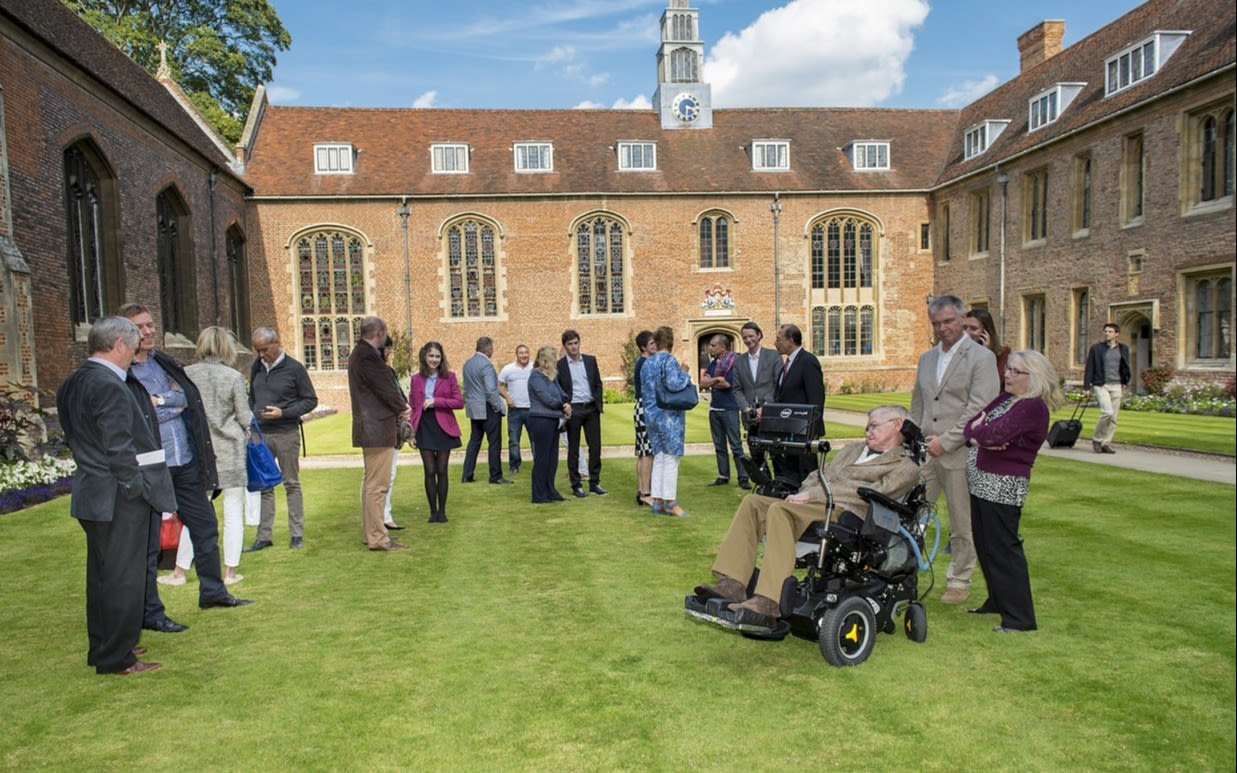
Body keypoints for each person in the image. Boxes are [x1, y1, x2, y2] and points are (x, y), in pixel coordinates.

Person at [694, 405, 920, 621]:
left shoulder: (906, 466)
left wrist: (814, 496)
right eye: (867, 427)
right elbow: (818, 474)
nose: (868, 431)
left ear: (897, 425)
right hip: (816, 501)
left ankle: (768, 600)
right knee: (753, 502)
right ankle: (733, 584)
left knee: (779, 510)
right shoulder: (853, 449)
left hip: (847, 512)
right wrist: (805, 492)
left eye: (874, 426)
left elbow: (874, 492)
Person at [57, 316, 177, 675]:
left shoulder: (73, 381)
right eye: (134, 345)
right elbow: (118, 447)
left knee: (102, 577)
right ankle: (117, 658)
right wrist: (134, 487)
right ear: (120, 345)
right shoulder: (109, 385)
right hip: (117, 495)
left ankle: (107, 645)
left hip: (92, 492)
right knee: (124, 577)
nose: (135, 353)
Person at [120, 303, 251, 625]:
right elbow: (140, 414)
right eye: (141, 326)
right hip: (151, 466)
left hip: (185, 462)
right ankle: (150, 612)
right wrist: (168, 403)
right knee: (148, 544)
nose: (149, 331)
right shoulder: (124, 373)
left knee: (205, 528)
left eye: (151, 324)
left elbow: (187, 400)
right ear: (123, 332)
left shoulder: (164, 364)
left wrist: (161, 401)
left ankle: (213, 592)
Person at [963, 350, 1063, 633]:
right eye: (1008, 369)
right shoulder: (1007, 399)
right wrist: (980, 434)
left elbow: (989, 434)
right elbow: (971, 427)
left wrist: (981, 434)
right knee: (985, 545)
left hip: (1002, 485)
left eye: (1015, 371)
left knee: (1003, 549)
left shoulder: (1031, 407)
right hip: (981, 482)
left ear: (1034, 377)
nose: (1007, 375)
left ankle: (1019, 619)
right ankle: (998, 600)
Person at [910, 295, 999, 604]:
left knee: (963, 523)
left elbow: (980, 408)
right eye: (936, 324)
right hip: (925, 453)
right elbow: (918, 405)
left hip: (960, 453)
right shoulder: (926, 358)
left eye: (948, 321)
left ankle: (959, 580)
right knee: (911, 515)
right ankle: (904, 571)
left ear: (963, 319)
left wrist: (945, 441)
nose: (942, 328)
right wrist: (914, 440)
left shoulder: (981, 358)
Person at [163, 327, 253, 587]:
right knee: (233, 512)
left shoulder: (187, 375)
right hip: (231, 449)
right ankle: (230, 572)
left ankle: (180, 571)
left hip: (199, 452)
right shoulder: (234, 376)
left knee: (196, 513)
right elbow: (245, 417)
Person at [246, 327, 318, 551]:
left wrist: (283, 413)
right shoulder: (256, 367)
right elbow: (252, 398)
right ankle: (264, 535)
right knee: (264, 485)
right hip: (260, 434)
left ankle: (296, 533)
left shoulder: (295, 369)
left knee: (291, 483)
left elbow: (310, 400)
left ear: (277, 342)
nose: (261, 354)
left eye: (264, 349)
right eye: (257, 350)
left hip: (286, 432)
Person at [349, 316, 409, 551]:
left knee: (370, 484)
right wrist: (403, 408)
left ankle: (371, 533)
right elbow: (386, 389)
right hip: (377, 428)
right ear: (380, 332)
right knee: (377, 486)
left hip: (370, 427)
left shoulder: (360, 353)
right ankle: (377, 537)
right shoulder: (368, 356)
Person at [409, 341, 464, 523]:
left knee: (442, 470)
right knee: (429, 471)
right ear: (425, 357)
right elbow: (413, 406)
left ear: (442, 358)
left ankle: (442, 511)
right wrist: (411, 433)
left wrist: (435, 401)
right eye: (431, 355)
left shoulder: (450, 377)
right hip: (424, 425)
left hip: (443, 425)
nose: (434, 359)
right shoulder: (416, 379)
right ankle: (433, 512)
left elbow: (458, 402)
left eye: (437, 356)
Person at [640, 326, 693, 517]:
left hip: (651, 414)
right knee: (671, 458)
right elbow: (674, 384)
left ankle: (658, 501)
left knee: (660, 456)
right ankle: (671, 502)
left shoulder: (647, 363)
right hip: (668, 415)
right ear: (671, 342)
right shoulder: (669, 360)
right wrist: (684, 372)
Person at [771, 323, 825, 487]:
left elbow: (816, 399)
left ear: (790, 340)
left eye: (779, 339)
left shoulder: (808, 361)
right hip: (790, 429)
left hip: (804, 431)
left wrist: (811, 432)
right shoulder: (788, 364)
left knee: (807, 474)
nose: (775, 343)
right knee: (791, 474)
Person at [730, 321, 783, 482]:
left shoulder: (773, 356)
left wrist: (765, 407)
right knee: (756, 455)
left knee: (776, 454)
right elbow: (736, 389)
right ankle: (765, 486)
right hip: (750, 416)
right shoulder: (739, 361)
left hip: (771, 414)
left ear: (759, 335)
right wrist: (745, 408)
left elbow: (779, 384)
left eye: (751, 336)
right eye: (745, 337)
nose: (748, 340)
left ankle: (781, 485)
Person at [556, 329, 606, 498]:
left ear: (579, 343)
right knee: (574, 449)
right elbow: (559, 388)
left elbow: (597, 383)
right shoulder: (560, 365)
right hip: (574, 409)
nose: (574, 347)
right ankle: (576, 485)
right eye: (570, 344)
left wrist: (598, 401)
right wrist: (565, 406)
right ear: (565, 346)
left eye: (576, 343)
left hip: (591, 408)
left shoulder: (590, 361)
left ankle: (594, 482)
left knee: (595, 447)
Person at [699, 333, 748, 489]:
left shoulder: (734, 362)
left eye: (713, 345)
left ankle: (743, 477)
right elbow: (702, 382)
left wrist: (713, 381)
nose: (710, 348)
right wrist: (716, 380)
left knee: (736, 445)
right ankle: (723, 475)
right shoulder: (714, 364)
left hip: (730, 409)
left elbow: (728, 384)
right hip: (715, 409)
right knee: (719, 445)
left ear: (722, 346)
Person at [461, 336, 512, 485]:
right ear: (489, 349)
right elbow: (491, 391)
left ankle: (467, 474)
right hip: (488, 408)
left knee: (474, 441)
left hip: (474, 408)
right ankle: (495, 475)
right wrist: (500, 407)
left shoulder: (467, 363)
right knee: (494, 442)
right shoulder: (486, 365)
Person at [527, 345, 571, 504]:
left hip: (553, 421)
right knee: (542, 459)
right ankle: (539, 494)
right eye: (553, 358)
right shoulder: (536, 377)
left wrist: (566, 403)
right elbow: (546, 398)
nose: (556, 361)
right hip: (541, 420)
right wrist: (561, 405)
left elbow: (562, 394)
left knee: (552, 459)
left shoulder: (552, 377)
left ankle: (550, 490)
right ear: (545, 360)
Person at [1084, 322, 1131, 455]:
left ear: (1116, 334)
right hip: (1101, 384)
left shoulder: (1123, 348)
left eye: (1110, 331)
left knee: (1114, 418)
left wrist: (1125, 380)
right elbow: (1090, 367)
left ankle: (1106, 443)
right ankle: (1097, 439)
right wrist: (1087, 386)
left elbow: (1125, 365)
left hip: (1117, 384)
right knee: (1107, 412)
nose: (1107, 333)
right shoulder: (1096, 348)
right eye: (1105, 331)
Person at [498, 344, 534, 475]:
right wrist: (507, 398)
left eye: (526, 352)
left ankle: (539, 463)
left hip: (532, 409)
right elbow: (499, 385)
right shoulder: (508, 369)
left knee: (535, 439)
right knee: (514, 440)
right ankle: (514, 465)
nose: (524, 355)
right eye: (521, 353)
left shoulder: (534, 368)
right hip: (515, 410)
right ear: (516, 355)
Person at [631, 330, 656, 506]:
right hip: (646, 407)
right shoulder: (646, 363)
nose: (655, 345)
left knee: (642, 452)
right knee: (647, 453)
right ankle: (646, 492)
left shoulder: (643, 362)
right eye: (652, 343)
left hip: (641, 407)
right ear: (643, 347)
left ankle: (642, 490)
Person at [964, 308, 1011, 392]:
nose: (967, 333)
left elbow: (992, 386)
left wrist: (986, 355)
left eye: (973, 329)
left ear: (986, 332)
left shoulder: (1003, 357)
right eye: (965, 328)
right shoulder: (959, 354)